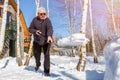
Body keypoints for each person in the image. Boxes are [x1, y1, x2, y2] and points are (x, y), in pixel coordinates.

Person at [29, 7, 53, 76]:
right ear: (38, 14)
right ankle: (37, 64)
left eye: (44, 14)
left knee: (47, 56)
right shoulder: (34, 20)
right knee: (36, 55)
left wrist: (49, 36)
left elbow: (50, 28)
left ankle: (47, 71)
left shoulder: (47, 20)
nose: (43, 15)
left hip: (46, 41)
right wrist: (35, 31)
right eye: (41, 14)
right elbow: (30, 29)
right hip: (37, 41)